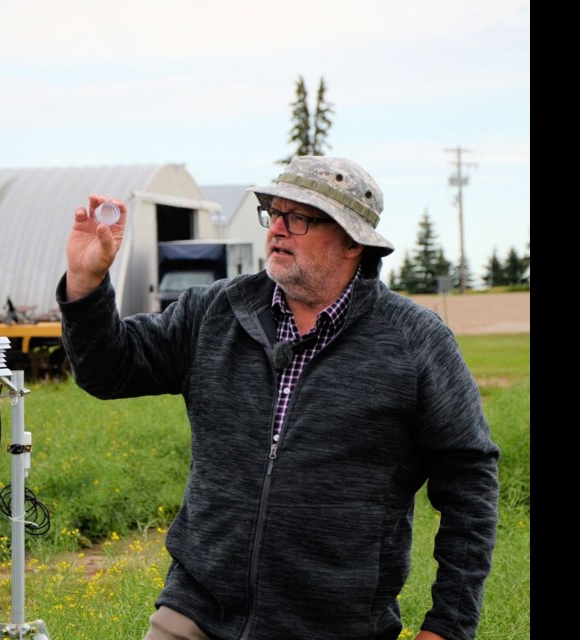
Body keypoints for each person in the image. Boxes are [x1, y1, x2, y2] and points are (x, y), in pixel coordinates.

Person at [56, 156, 500, 640]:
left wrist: (448, 627)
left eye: (300, 218)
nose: (278, 230)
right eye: (273, 213)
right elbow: (109, 370)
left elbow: (470, 483)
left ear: (353, 241)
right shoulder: (216, 312)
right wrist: (86, 283)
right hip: (197, 612)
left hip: (334, 627)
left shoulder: (414, 343)